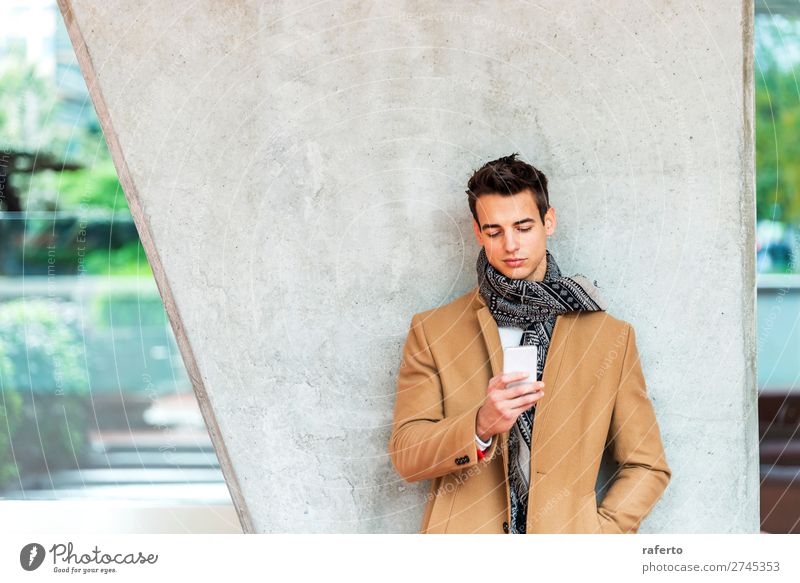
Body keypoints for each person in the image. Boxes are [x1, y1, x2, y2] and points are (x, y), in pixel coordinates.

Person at [388, 153, 671, 534]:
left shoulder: (609, 339)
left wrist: (597, 538)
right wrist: (480, 424)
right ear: (477, 232)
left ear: (548, 221)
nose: (510, 245)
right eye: (494, 231)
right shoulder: (434, 330)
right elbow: (407, 455)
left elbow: (647, 464)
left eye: (523, 227)